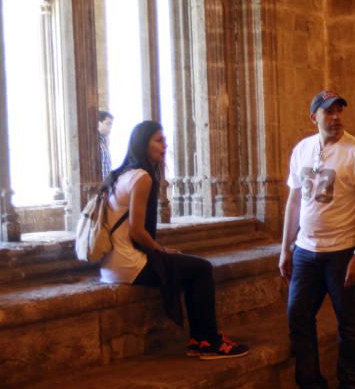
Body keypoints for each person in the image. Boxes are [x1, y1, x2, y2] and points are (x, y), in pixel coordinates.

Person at [100, 120, 249, 360]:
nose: (164, 145)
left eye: (164, 140)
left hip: (111, 266)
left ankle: (200, 339)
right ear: (142, 144)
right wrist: (161, 249)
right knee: (201, 268)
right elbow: (137, 230)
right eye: (158, 140)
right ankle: (209, 341)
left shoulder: (121, 175)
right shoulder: (142, 178)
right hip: (128, 264)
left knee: (190, 268)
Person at [276, 91, 355, 389]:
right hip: (306, 251)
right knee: (298, 317)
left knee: (347, 321)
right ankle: (312, 388)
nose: (336, 118)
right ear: (314, 118)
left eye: (339, 112)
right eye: (328, 112)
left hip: (342, 251)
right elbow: (294, 201)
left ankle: (350, 388)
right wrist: (286, 248)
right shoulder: (302, 150)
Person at [98, 110, 114, 180]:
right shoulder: (96, 144)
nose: (110, 127)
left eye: (111, 125)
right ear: (98, 123)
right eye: (107, 124)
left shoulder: (104, 142)